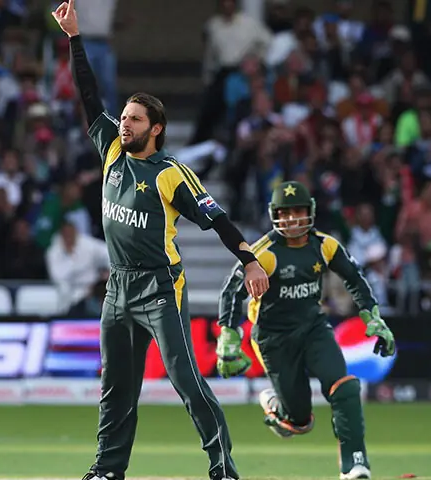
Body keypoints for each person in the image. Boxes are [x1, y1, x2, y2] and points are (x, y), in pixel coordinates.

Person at [52, 2, 270, 480]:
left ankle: (223, 467)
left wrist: (250, 260)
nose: (124, 123)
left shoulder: (171, 174)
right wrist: (74, 38)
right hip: (118, 289)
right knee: (116, 388)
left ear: (156, 129)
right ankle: (108, 469)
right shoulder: (110, 146)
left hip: (158, 289)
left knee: (187, 382)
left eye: (133, 120)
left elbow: (217, 218)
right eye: (124, 117)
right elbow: (88, 94)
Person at [216, 181, 396, 480]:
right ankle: (278, 408)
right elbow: (231, 292)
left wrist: (373, 315)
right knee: (300, 422)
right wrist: (229, 335)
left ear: (310, 212)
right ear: (274, 215)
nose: (291, 219)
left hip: (314, 327)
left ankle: (355, 463)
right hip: (274, 338)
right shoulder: (264, 252)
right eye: (284, 213)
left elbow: (354, 277)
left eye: (297, 212)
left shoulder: (324, 244)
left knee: (346, 387)